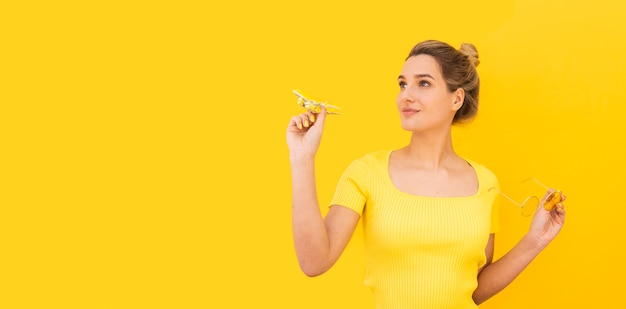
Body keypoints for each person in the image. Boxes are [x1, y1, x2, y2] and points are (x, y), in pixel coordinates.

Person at [286, 40, 566, 308]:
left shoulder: (485, 183)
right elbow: (314, 263)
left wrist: (534, 240)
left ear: (456, 98)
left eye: (423, 83)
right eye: (402, 84)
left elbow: (474, 290)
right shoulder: (366, 173)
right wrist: (302, 157)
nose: (406, 95)